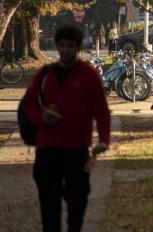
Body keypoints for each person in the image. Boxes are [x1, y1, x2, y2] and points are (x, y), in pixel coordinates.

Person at [23, 25, 110, 232]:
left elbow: (101, 110)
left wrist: (104, 139)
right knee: (49, 204)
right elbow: (30, 104)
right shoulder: (45, 74)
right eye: (62, 45)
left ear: (78, 47)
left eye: (71, 46)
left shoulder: (89, 75)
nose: (66, 50)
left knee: (77, 202)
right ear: (57, 46)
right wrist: (41, 117)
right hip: (47, 149)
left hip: (77, 149)